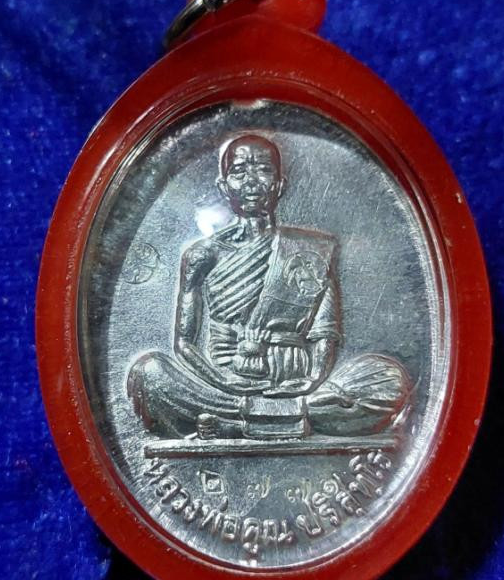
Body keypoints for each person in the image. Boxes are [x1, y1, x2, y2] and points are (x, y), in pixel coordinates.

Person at [127, 134, 411, 440]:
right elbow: (185, 343)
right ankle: (284, 418)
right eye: (239, 171)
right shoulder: (203, 254)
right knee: (149, 375)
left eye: (263, 169)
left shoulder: (310, 250)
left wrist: (313, 379)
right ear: (224, 187)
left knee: (389, 381)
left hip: (294, 383)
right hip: (224, 384)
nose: (251, 181)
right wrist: (225, 381)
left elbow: (325, 334)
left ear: (280, 185)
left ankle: (238, 424)